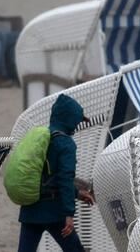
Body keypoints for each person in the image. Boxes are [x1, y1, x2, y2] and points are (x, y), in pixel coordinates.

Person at [17, 94, 93, 252]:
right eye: (77, 121)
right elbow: (64, 179)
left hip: (30, 210)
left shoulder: (40, 138)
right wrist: (69, 214)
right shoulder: (65, 144)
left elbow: (47, 178)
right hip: (54, 213)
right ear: (69, 119)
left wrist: (77, 193)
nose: (76, 125)